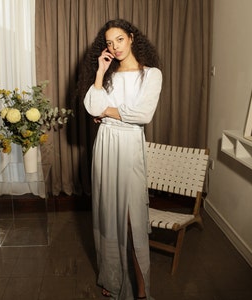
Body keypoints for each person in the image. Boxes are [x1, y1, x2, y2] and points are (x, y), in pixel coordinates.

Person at [80, 19, 162, 300]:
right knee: (108, 214)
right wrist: (101, 72)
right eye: (109, 42)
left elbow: (143, 115)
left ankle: (141, 290)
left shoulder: (151, 75)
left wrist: (108, 111)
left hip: (129, 146)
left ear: (131, 38)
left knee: (132, 220)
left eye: (120, 40)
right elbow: (91, 105)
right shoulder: (110, 75)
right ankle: (113, 278)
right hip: (105, 146)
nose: (115, 47)